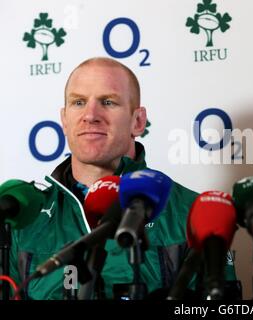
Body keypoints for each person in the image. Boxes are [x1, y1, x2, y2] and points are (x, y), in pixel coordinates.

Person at [7, 57, 239, 300]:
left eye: (108, 102)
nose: (90, 115)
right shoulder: (22, 218)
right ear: (64, 120)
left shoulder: (191, 213)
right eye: (78, 102)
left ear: (138, 121)